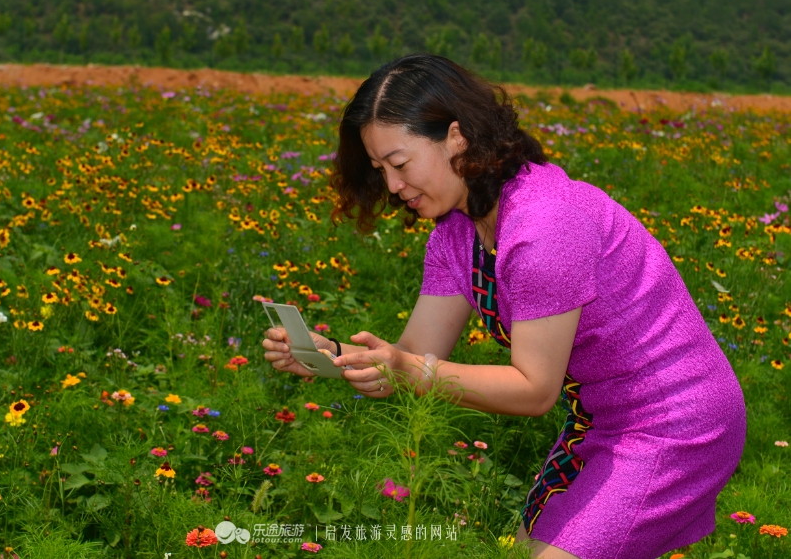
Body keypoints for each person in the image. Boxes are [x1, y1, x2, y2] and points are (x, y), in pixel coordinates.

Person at [261, 54, 746, 559]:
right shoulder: (454, 235)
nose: (392, 186)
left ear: (457, 137)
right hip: (598, 422)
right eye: (380, 169)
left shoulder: (545, 225)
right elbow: (411, 359)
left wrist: (407, 368)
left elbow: (533, 391)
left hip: (677, 422)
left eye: (400, 164)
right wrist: (331, 357)